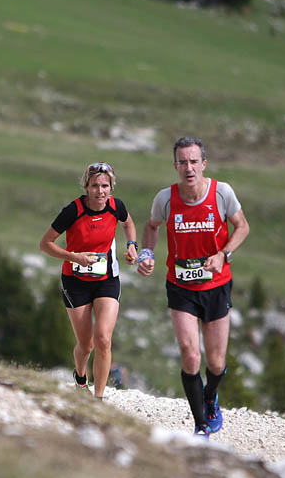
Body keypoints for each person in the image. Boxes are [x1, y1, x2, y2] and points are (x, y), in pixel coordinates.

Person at [137, 137, 250, 438]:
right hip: (181, 286)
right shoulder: (166, 198)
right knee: (190, 354)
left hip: (216, 285)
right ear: (175, 166)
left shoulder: (222, 193)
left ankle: (211, 396)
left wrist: (223, 254)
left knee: (215, 362)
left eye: (193, 161)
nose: (189, 168)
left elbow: (242, 227)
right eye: (182, 162)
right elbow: (151, 227)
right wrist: (147, 254)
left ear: (203, 164)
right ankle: (201, 425)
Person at [39, 162, 138, 398]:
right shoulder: (73, 211)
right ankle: (81, 376)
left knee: (103, 338)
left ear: (111, 187)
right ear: (86, 186)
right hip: (75, 281)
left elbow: (128, 223)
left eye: (105, 186)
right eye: (95, 186)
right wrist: (74, 256)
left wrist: (132, 245)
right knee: (86, 345)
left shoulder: (116, 206)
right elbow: (45, 244)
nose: (100, 191)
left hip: (107, 279)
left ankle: (98, 398)